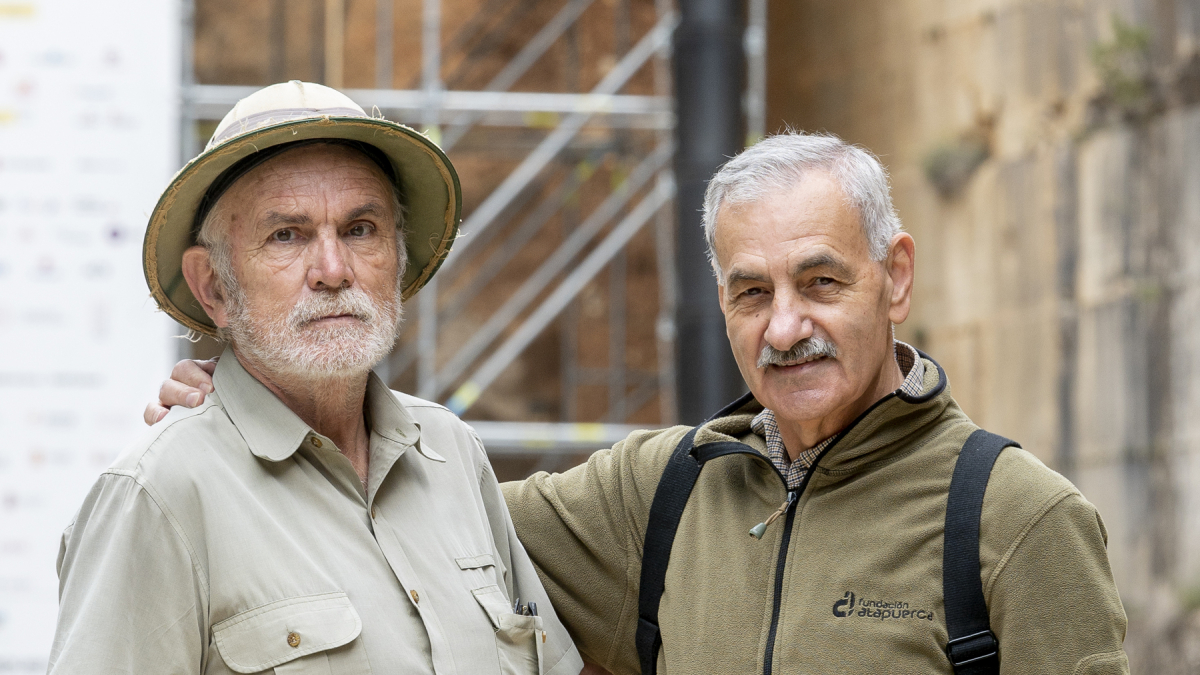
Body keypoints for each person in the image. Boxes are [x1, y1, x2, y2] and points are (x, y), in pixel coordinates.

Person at [154, 132, 1129, 674]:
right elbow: (409, 517)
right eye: (753, 292)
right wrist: (256, 412)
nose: (785, 327)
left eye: (821, 282)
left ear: (896, 276)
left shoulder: (1013, 517)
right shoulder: (659, 495)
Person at [53, 81, 582, 675]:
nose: (333, 270)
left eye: (360, 229)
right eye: (287, 235)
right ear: (215, 287)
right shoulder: (157, 496)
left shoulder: (451, 453)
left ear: (397, 258)